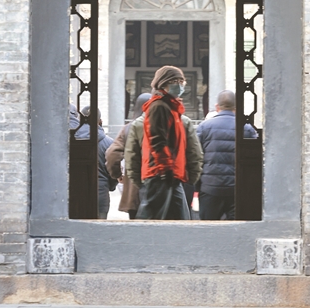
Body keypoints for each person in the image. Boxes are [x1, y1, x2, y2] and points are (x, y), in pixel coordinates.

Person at [124, 66, 202, 220]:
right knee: (151, 220)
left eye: (181, 81)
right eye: (174, 81)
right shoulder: (159, 106)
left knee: (180, 219)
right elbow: (157, 141)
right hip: (161, 173)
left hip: (172, 173)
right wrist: (165, 168)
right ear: (163, 83)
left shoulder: (171, 107)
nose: (179, 85)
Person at [196, 89, 258, 221]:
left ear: (217, 107)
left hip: (210, 187)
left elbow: (196, 156)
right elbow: (255, 157)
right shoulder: (246, 128)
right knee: (236, 227)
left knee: (208, 227)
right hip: (237, 188)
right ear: (237, 107)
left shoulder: (204, 127)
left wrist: (197, 184)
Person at [105, 92, 152, 219]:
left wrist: (117, 175)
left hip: (135, 188)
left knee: (137, 225)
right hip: (160, 188)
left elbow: (112, 154)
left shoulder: (128, 128)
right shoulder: (165, 125)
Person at [75, 106, 115, 219]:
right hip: (100, 192)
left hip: (76, 192)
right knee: (99, 226)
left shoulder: (72, 141)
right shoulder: (109, 143)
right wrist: (111, 185)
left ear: (80, 120)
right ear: (100, 121)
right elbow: (113, 166)